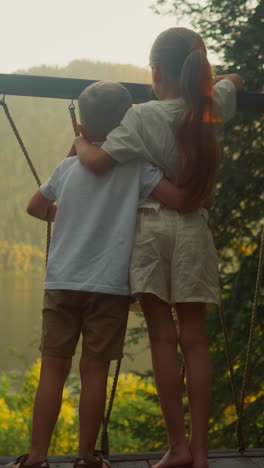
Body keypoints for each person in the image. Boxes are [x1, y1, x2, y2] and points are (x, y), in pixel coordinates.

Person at [73, 28, 243, 468]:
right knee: (196, 342)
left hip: (150, 231)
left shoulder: (140, 118)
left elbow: (99, 163)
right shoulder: (210, 106)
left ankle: (177, 447)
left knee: (162, 338)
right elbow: (235, 81)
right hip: (193, 232)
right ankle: (202, 452)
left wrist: (79, 142)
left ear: (156, 71)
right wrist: (219, 80)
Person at [10, 81, 194, 468]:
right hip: (108, 287)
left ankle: (37, 457)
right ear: (128, 124)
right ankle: (85, 458)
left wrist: (69, 203)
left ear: (82, 128)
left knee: (53, 369)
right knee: (93, 373)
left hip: (61, 282)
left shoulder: (67, 166)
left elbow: (35, 207)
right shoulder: (137, 167)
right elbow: (178, 200)